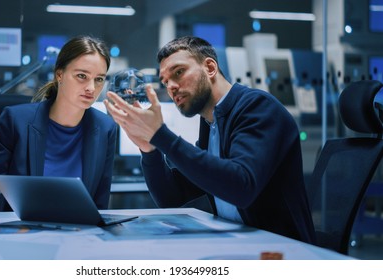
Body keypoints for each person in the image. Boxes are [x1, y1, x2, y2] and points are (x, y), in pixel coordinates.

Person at [104, 36, 315, 244]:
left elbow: (242, 187)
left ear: (210, 68)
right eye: (166, 81)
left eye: (179, 72)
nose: (171, 86)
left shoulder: (258, 108)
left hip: (279, 251)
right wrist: (149, 148)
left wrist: (160, 135)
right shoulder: (210, 122)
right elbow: (174, 199)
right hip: (239, 242)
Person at [0, 35, 117, 225]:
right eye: (81, 76)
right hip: (19, 233)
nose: (91, 88)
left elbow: (99, 203)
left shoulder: (106, 128)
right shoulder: (16, 120)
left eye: (99, 79)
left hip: (77, 233)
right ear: (59, 75)